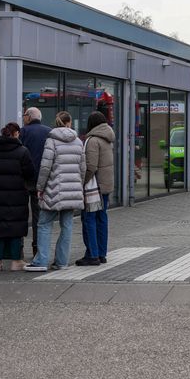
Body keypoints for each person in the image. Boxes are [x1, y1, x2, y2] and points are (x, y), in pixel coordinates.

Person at [27, 111, 85, 271]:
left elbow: (45, 168)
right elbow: (83, 169)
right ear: (70, 123)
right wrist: (78, 186)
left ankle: (41, 261)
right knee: (67, 226)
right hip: (72, 191)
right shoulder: (79, 142)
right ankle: (61, 262)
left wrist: (40, 187)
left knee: (44, 224)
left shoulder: (51, 141)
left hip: (53, 190)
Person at [0, 122, 35, 272]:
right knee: (16, 228)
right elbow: (30, 172)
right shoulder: (22, 151)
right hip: (17, 196)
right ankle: (15, 262)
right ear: (16, 134)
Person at [77, 111, 115, 266]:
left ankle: (92, 255)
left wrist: (82, 182)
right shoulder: (107, 139)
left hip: (94, 187)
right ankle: (101, 253)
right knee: (102, 218)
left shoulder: (92, 140)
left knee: (89, 219)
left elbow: (91, 166)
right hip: (105, 185)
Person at [19, 107, 51, 257]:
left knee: (21, 213)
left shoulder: (23, 132)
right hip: (42, 180)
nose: (23, 117)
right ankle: (37, 247)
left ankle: (18, 247)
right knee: (38, 215)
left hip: (25, 179)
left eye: (24, 115)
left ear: (29, 117)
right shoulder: (49, 132)